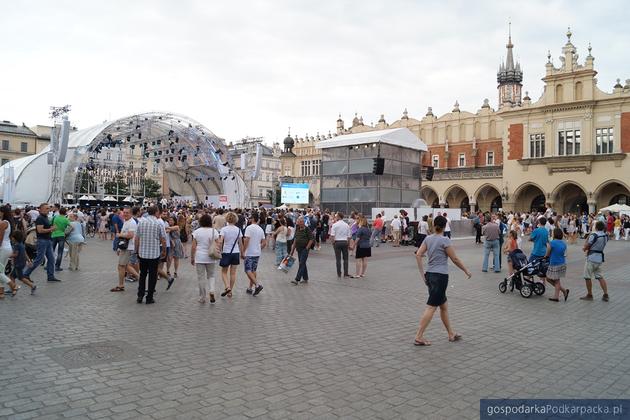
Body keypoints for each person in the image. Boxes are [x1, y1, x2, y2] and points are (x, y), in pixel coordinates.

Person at [414, 215, 472, 346]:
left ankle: (451, 334)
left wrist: (422, 274)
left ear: (434, 225)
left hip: (430, 275)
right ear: (445, 226)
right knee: (431, 307)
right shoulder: (445, 240)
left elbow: (418, 254)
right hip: (440, 277)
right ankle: (418, 336)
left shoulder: (428, 239)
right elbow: (455, 259)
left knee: (443, 306)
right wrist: (466, 270)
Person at [135, 206, 166, 304]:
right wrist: (164, 251)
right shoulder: (158, 223)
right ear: (156, 212)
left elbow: (137, 238)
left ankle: (140, 295)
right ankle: (149, 297)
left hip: (142, 253)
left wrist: (137, 250)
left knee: (143, 274)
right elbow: (163, 239)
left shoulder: (141, 222)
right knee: (152, 276)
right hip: (154, 254)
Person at [23, 203, 60, 283]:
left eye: (48, 208)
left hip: (48, 240)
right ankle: (26, 274)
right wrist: (51, 229)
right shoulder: (40, 218)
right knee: (39, 259)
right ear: (41, 209)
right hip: (42, 240)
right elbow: (40, 230)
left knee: (51, 259)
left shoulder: (45, 217)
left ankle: (50, 276)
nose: (48, 210)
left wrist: (51, 228)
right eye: (46, 208)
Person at [191, 214, 220, 303]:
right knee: (211, 275)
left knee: (201, 277)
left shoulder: (197, 232)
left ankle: (202, 297)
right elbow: (218, 244)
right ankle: (211, 290)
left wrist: (192, 257)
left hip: (199, 256)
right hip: (211, 256)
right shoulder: (214, 231)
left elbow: (193, 247)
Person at [580, 220, 609, 302]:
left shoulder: (594, 235)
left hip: (591, 258)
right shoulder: (605, 235)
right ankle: (605, 294)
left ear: (596, 227)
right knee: (600, 276)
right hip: (599, 258)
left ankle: (590, 294)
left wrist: (584, 248)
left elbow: (587, 245)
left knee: (587, 276)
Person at [111, 208, 137, 292]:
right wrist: (119, 248)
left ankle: (121, 285)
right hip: (124, 247)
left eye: (127, 213)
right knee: (125, 266)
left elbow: (130, 235)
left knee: (121, 266)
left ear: (131, 214)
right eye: (124, 212)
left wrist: (119, 234)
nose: (125, 214)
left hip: (128, 247)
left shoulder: (132, 222)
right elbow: (124, 236)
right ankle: (140, 278)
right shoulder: (126, 221)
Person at [218, 212, 243, 298]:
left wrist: (219, 250)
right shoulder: (238, 230)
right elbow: (240, 243)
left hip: (226, 252)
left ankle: (227, 287)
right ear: (236, 220)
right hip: (236, 252)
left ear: (227, 219)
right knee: (233, 273)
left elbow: (221, 241)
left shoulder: (224, 229)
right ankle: (230, 291)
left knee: (224, 272)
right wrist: (242, 253)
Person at [242, 213, 266, 296]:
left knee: (247, 270)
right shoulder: (260, 229)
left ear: (252, 219)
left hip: (249, 252)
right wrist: (259, 248)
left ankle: (257, 285)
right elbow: (264, 243)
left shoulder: (249, 228)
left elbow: (246, 240)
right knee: (253, 270)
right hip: (257, 253)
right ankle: (250, 288)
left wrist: (243, 251)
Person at [546, 228, 569, 302]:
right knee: (552, 279)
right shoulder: (563, 243)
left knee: (555, 280)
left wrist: (545, 256)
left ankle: (556, 296)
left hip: (554, 263)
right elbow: (565, 254)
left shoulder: (552, 243)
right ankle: (563, 290)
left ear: (554, 234)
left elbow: (547, 253)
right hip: (562, 263)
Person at [9, 230, 35, 294]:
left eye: (12, 237)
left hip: (18, 264)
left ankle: (32, 285)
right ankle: (13, 289)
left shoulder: (16, 245)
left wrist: (8, 255)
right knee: (12, 276)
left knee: (21, 278)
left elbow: (16, 254)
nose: (11, 238)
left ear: (15, 238)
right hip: (21, 263)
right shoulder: (21, 244)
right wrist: (29, 260)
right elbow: (25, 253)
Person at [290, 216, 314, 285]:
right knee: (302, 263)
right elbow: (295, 240)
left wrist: (307, 248)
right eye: (299, 222)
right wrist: (292, 251)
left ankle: (297, 279)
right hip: (299, 249)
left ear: (304, 222)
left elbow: (311, 239)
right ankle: (305, 278)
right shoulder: (297, 229)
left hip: (305, 249)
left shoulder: (307, 229)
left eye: (302, 222)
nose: (301, 223)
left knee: (301, 263)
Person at [0, 206, 18, 298]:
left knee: (0, 272)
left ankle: (13, 286)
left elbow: (0, 239)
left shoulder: (3, 223)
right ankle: (1, 293)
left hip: (2, 248)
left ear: (3, 212)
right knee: (1, 271)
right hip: (7, 248)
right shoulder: (9, 222)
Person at [330, 212, 352, 279]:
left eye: (336, 216)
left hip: (337, 242)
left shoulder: (335, 225)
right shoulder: (346, 225)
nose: (335, 217)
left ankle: (339, 273)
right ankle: (346, 273)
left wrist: (333, 243)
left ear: (339, 217)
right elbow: (349, 236)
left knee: (338, 259)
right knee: (346, 259)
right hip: (345, 242)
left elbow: (332, 236)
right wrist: (348, 244)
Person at [529, 216, 549, 283]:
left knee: (530, 266)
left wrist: (534, 239)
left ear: (539, 222)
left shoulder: (536, 230)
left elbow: (530, 238)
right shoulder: (546, 231)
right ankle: (543, 283)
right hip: (544, 252)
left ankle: (528, 280)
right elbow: (547, 242)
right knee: (542, 268)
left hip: (536, 251)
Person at [51, 207, 70, 271]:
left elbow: (49, 223)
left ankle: (49, 265)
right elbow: (71, 226)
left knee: (51, 251)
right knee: (60, 252)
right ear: (65, 212)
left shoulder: (55, 217)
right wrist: (66, 232)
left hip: (53, 235)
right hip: (61, 235)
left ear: (59, 212)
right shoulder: (66, 219)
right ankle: (57, 266)